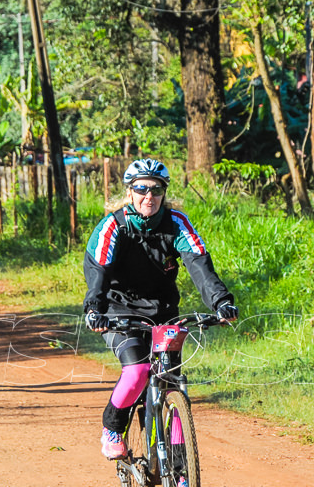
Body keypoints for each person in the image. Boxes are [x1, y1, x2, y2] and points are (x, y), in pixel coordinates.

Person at [83, 158, 238, 464]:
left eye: (156, 189)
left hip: (164, 312)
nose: (148, 196)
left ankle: (181, 477)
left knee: (171, 388)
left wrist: (221, 302)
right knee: (138, 370)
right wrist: (94, 310)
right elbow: (97, 272)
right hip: (118, 311)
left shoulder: (176, 223)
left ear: (164, 193)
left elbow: (199, 265)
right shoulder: (113, 226)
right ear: (130, 193)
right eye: (141, 188)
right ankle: (113, 428)